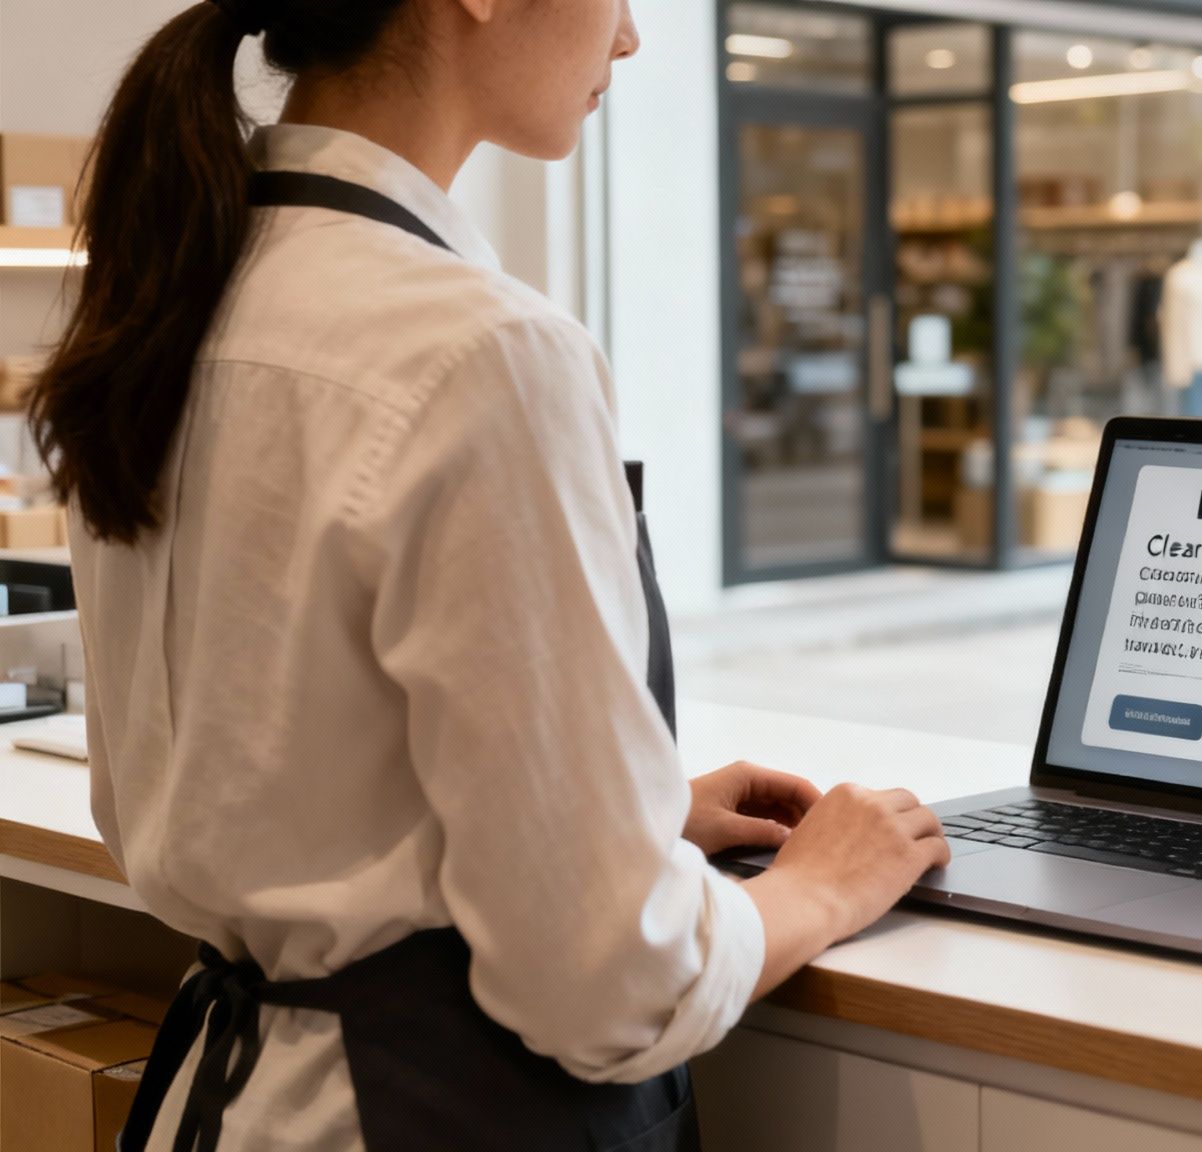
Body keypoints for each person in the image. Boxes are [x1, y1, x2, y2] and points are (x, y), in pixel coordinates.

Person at [28, 1, 951, 1149]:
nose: (627, 38)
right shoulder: (479, 349)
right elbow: (613, 981)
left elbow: (273, 774)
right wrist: (817, 887)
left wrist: (617, 818)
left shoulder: (179, 289)